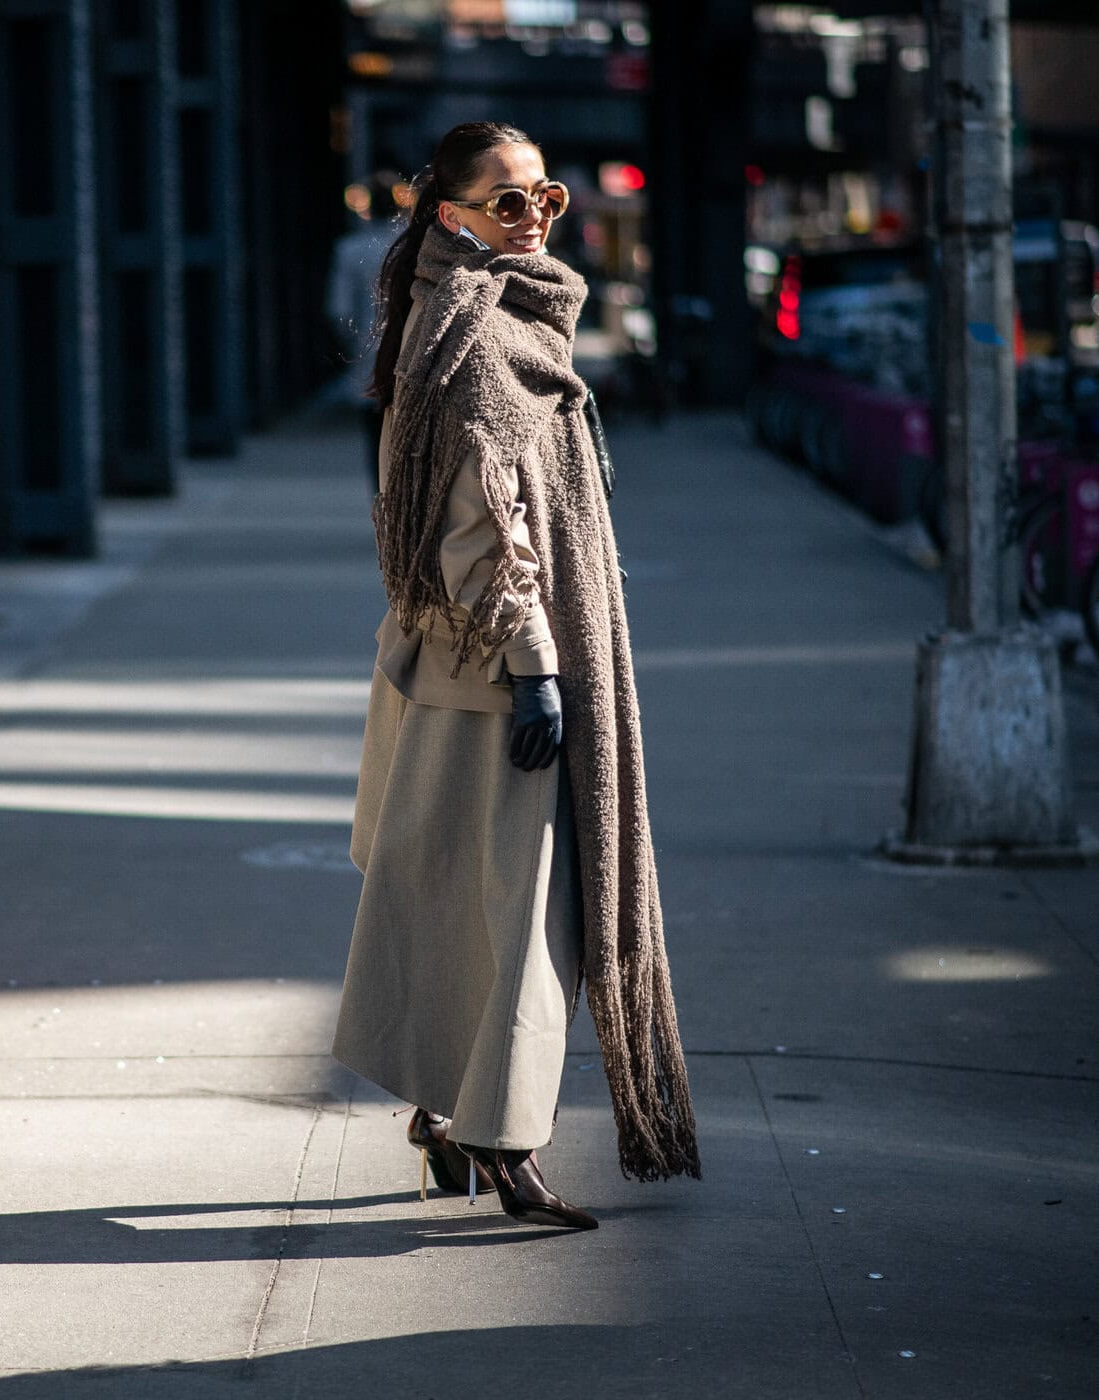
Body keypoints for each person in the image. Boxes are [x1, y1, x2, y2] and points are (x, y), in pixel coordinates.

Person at [330, 122, 701, 1229]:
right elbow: (479, 529)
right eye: (507, 203)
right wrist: (541, 670)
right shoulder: (478, 333)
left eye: (545, 198)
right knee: (536, 915)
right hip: (499, 679)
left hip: (450, 671)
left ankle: (448, 1119)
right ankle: (505, 1139)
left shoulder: (470, 311)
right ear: (448, 214)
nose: (533, 217)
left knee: (460, 906)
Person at [327, 171, 402, 491]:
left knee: (376, 444)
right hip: (414, 354)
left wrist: (351, 346)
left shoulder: (350, 249)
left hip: (369, 357)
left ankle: (382, 508)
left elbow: (338, 309)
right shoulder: (414, 246)